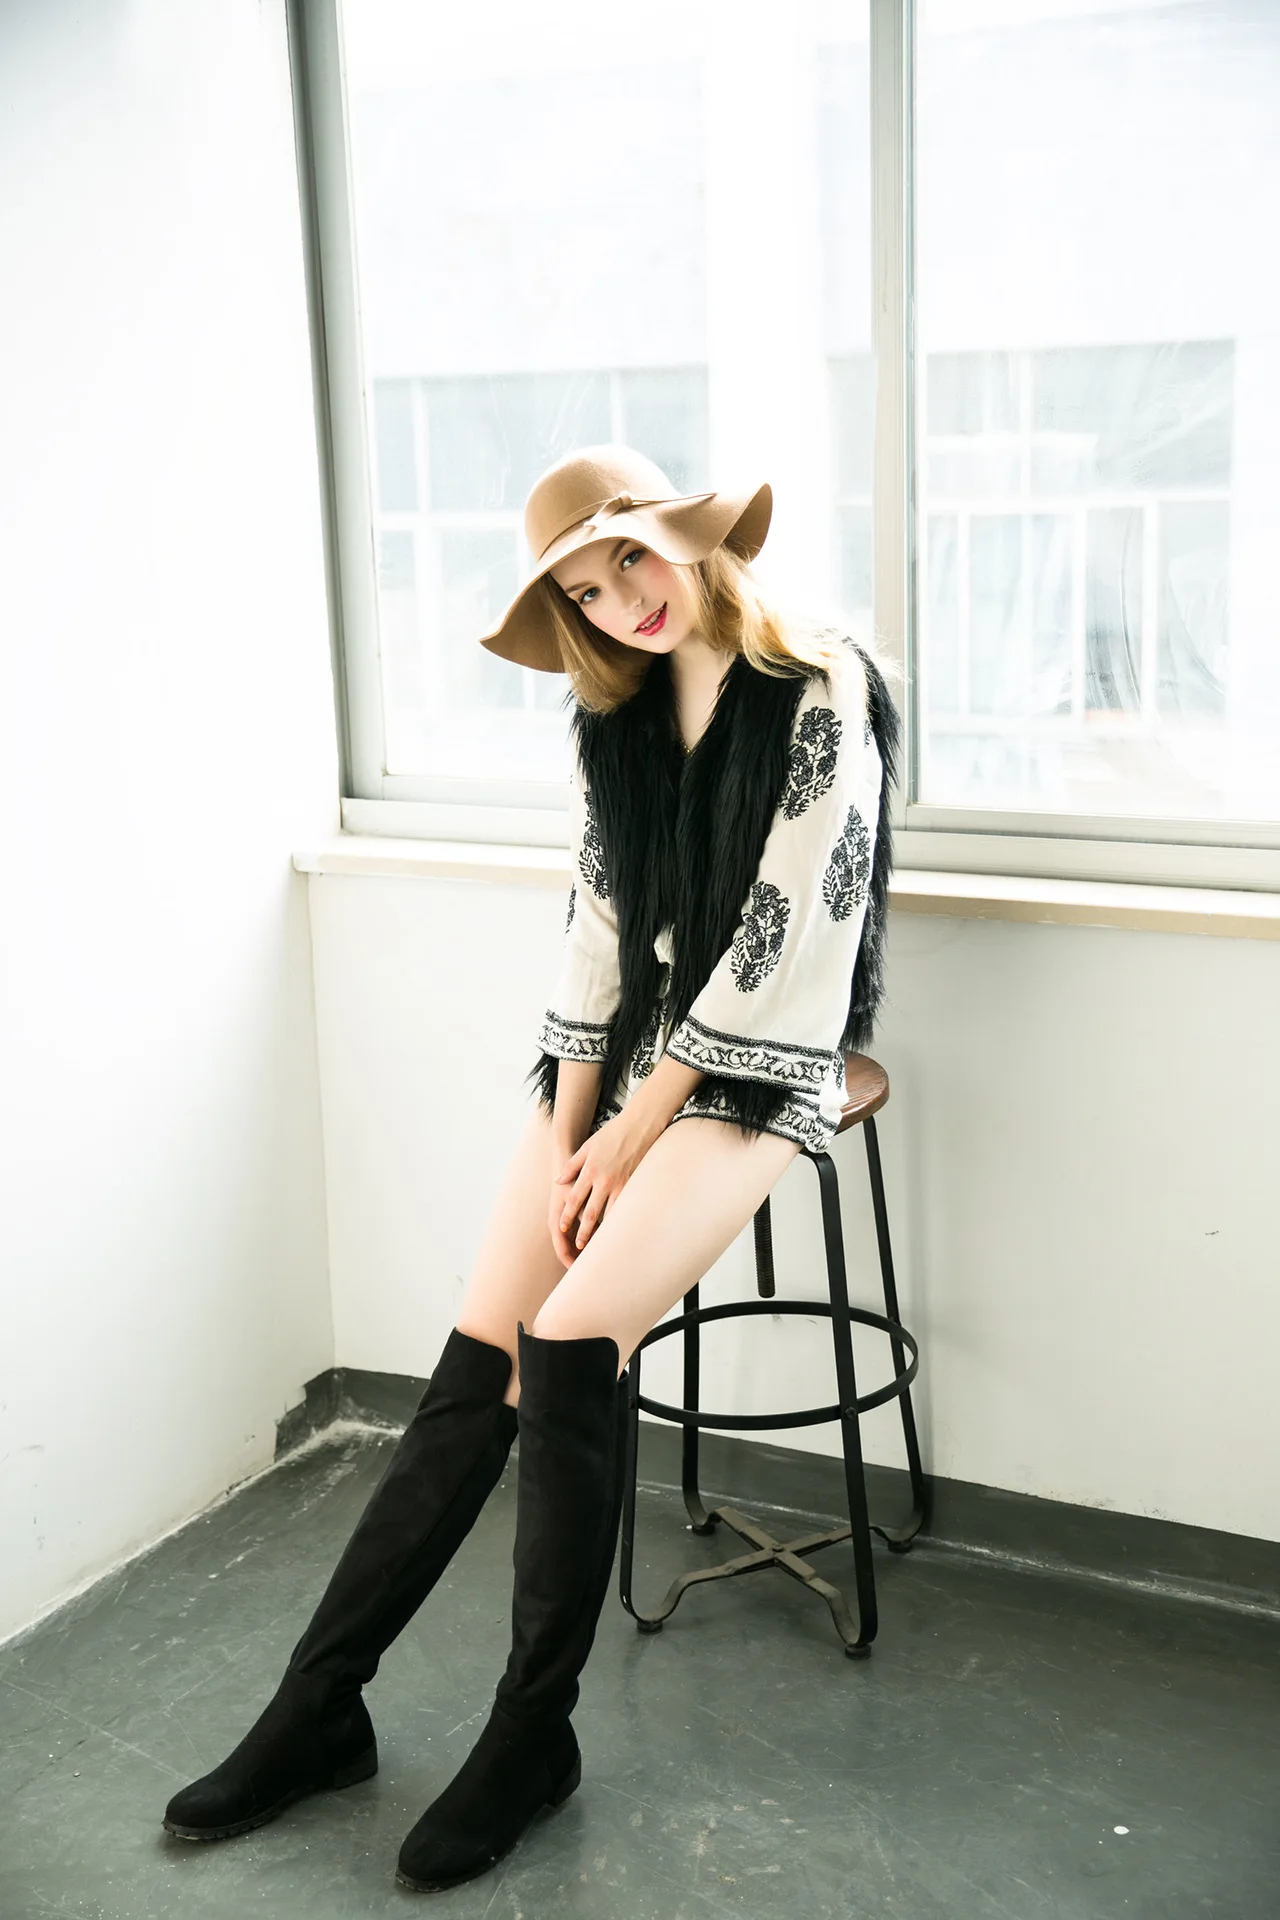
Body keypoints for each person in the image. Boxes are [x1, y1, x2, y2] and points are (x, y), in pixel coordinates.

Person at [161, 444, 900, 1893]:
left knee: (568, 1343)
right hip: (626, 1059)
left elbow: (787, 933)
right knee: (480, 1354)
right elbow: (599, 928)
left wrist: (633, 1135)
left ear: (685, 536)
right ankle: (319, 1706)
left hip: (767, 1058)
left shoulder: (823, 686)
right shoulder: (609, 716)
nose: (623, 600)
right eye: (586, 590)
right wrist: (570, 1129)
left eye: (631, 557)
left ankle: (531, 1736)